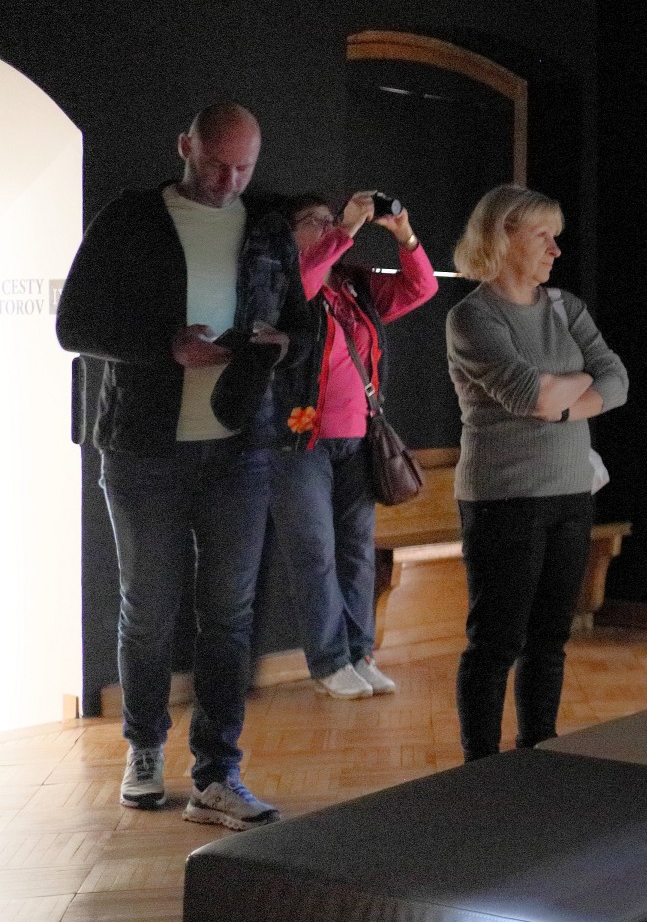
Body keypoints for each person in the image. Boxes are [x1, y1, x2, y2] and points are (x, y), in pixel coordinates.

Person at [56, 102, 310, 828]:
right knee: (148, 610)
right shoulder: (131, 218)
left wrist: (282, 344)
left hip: (240, 446)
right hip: (144, 448)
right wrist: (165, 345)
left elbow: (305, 324)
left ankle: (217, 774)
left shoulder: (267, 225)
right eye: (216, 165)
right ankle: (143, 749)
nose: (229, 182)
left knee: (229, 614)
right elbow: (74, 324)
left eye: (244, 168)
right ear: (184, 148)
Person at [445, 185, 627, 761]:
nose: (555, 249)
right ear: (503, 237)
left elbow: (617, 380)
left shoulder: (566, 308)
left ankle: (538, 751)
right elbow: (530, 395)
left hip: (571, 491)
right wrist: (574, 386)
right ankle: (480, 765)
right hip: (505, 498)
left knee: (550, 638)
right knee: (496, 641)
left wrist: (563, 397)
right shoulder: (473, 316)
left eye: (556, 236)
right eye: (542, 236)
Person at [270, 191, 437, 700]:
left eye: (332, 220)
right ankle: (329, 661)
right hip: (300, 440)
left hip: (358, 438)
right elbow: (300, 286)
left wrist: (404, 234)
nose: (329, 227)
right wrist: (344, 229)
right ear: (289, 234)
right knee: (315, 553)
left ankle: (361, 654)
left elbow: (421, 287)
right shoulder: (282, 280)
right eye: (315, 221)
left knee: (358, 554)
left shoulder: (353, 284)